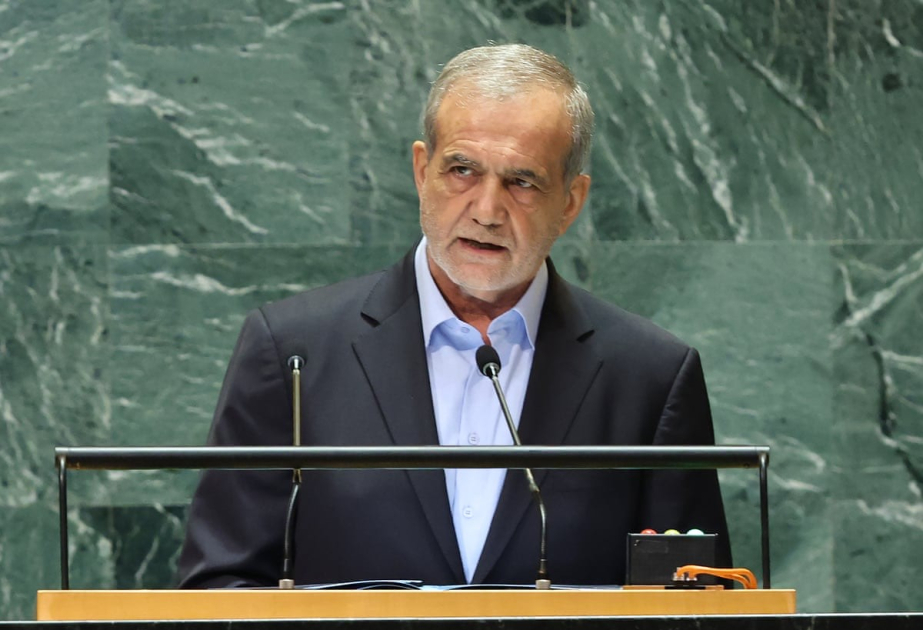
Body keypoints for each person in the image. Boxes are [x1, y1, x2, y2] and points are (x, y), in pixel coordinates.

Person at [178, 43, 731, 588]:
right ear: (422, 170)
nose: (487, 211)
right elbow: (218, 591)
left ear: (570, 201)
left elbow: (696, 600)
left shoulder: (650, 377)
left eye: (522, 181)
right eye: (462, 169)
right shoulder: (291, 352)